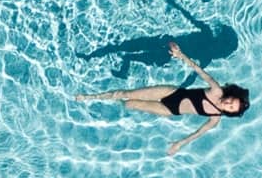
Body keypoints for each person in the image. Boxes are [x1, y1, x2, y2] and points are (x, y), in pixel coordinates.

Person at [77, 42, 250, 155]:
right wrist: (180, 55)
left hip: (170, 110)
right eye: (231, 101)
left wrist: (179, 144)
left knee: (129, 104)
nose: (227, 104)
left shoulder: (215, 119)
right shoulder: (217, 90)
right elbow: (199, 70)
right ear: (230, 95)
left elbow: (198, 133)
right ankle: (90, 97)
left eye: (230, 108)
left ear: (229, 113)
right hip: (170, 93)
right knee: (127, 93)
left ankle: (109, 102)